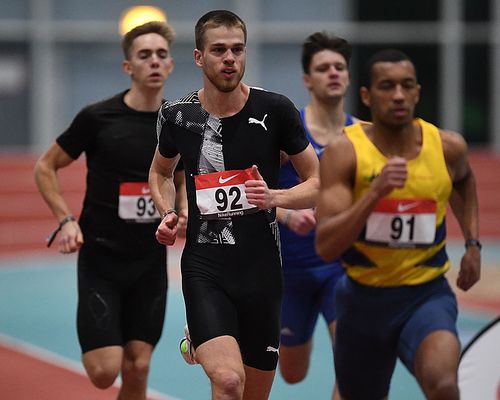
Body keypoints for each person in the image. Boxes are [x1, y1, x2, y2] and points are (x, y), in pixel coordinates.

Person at [149, 10, 320, 400]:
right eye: (219, 50)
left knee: (252, 393)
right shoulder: (178, 115)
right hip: (205, 267)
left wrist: (275, 198)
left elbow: (319, 181)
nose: (230, 58)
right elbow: (160, 172)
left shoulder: (275, 110)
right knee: (228, 381)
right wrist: (168, 211)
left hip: (262, 271)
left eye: (237, 49)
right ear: (198, 57)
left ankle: (201, 342)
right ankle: (205, 334)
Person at [315, 48, 481, 400]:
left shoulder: (447, 147)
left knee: (443, 384)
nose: (399, 95)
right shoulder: (345, 153)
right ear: (367, 95)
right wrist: (374, 194)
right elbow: (326, 245)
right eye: (387, 86)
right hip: (362, 301)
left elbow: (465, 181)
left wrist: (472, 244)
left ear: (418, 92)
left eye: (407, 86)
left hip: (426, 294)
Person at [34, 21, 182, 399]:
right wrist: (66, 220)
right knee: (104, 372)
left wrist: (181, 213)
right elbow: (45, 167)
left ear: (171, 65)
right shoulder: (98, 117)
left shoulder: (179, 123)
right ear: (127, 66)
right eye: (144, 55)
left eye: (161, 55)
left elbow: (181, 180)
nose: (153, 61)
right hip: (102, 261)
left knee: (139, 366)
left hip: (149, 262)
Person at [276, 32, 358, 400]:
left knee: (355, 360)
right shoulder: (287, 129)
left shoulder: (363, 136)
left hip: (343, 268)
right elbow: (250, 191)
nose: (333, 73)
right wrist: (287, 214)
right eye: (323, 68)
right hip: (289, 269)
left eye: (339, 67)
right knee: (292, 373)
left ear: (349, 76)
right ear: (308, 79)